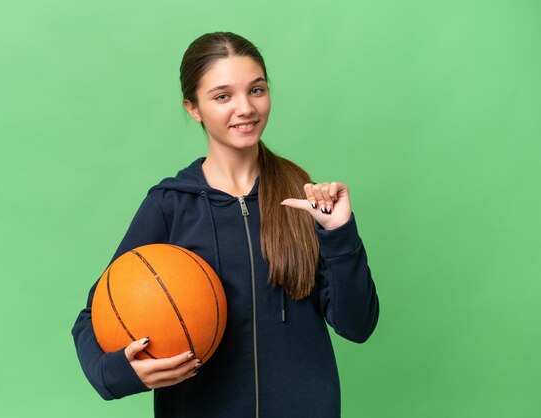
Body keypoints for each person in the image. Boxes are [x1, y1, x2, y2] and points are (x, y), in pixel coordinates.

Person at [72, 31, 379, 418]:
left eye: (256, 90)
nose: (245, 108)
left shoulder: (302, 196)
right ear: (193, 108)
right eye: (222, 96)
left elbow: (358, 325)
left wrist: (339, 234)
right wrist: (119, 373)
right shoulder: (170, 205)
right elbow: (92, 316)